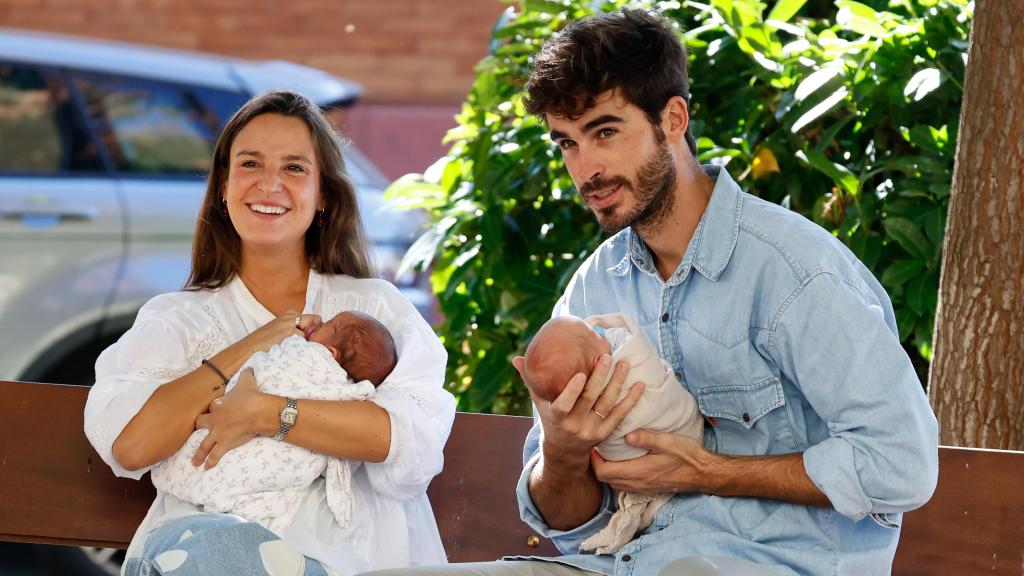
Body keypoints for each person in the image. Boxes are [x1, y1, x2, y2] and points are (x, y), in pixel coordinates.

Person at [361, 8, 938, 576]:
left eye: (604, 132)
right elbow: (570, 525)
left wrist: (707, 470)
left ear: (673, 119)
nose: (586, 170)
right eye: (566, 144)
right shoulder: (594, 288)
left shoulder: (795, 272)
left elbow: (901, 464)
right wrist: (562, 451)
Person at [84, 90, 456, 576]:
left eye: (295, 168)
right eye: (251, 164)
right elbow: (131, 445)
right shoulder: (176, 320)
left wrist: (266, 413)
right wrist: (251, 346)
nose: (269, 184)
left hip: (353, 561)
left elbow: (410, 444)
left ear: (323, 194)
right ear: (223, 185)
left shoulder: (374, 308)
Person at [150, 311, 398, 535]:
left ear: (331, 353)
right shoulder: (349, 392)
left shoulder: (303, 352)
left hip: (274, 450)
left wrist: (250, 389)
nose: (321, 321)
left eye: (329, 324)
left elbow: (266, 366)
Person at [522, 313, 702, 554]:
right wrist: (561, 454)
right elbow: (571, 535)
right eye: (595, 335)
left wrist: (706, 471)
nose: (601, 334)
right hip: (611, 561)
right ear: (599, 361)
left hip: (724, 539)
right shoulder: (582, 297)